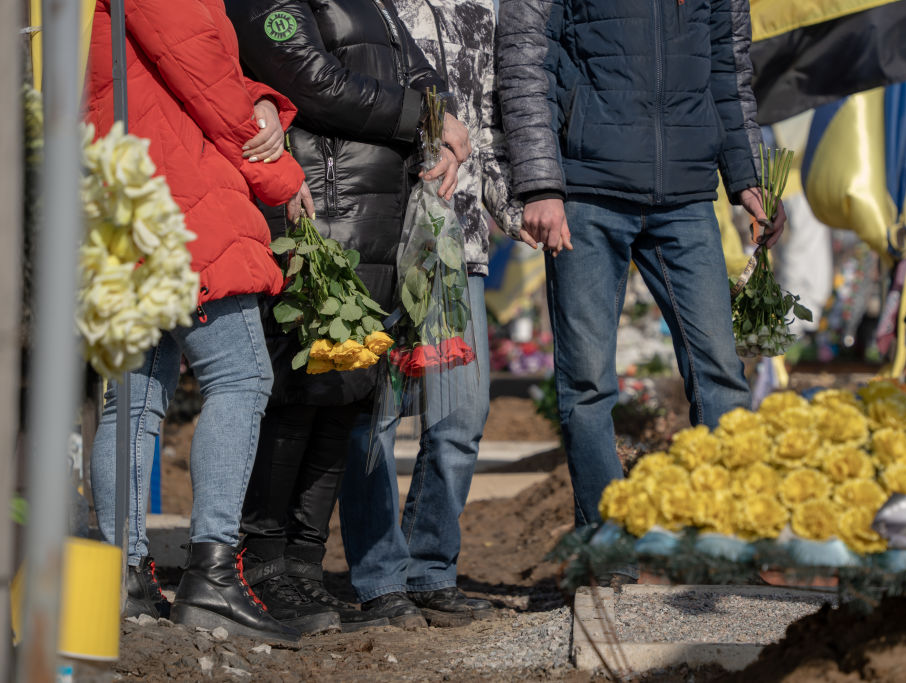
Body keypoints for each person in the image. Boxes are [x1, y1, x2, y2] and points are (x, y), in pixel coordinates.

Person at [225, 0, 471, 631]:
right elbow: (310, 80)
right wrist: (426, 118)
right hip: (313, 210)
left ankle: (304, 569)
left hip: (376, 216)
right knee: (295, 394)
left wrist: (435, 111)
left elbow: (422, 73)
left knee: (347, 395)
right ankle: (262, 564)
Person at [495, 0, 787, 532]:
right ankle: (606, 541)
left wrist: (750, 176)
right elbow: (523, 61)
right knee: (587, 383)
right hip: (586, 193)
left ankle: (727, 535)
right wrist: (540, 184)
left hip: (686, 198)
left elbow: (728, 71)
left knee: (720, 371)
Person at [86, 0, 314, 642]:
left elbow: (191, 66)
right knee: (240, 378)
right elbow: (204, 73)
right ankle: (212, 575)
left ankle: (125, 580)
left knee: (132, 400)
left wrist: (264, 97)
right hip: (178, 191)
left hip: (118, 188)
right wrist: (281, 175)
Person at [333, 0, 524, 627]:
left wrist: (519, 211)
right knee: (375, 416)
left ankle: (430, 567)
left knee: (461, 416)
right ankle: (380, 578)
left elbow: (489, 131)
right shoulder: (373, 6)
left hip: (459, 247)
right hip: (382, 237)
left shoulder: (486, 8)